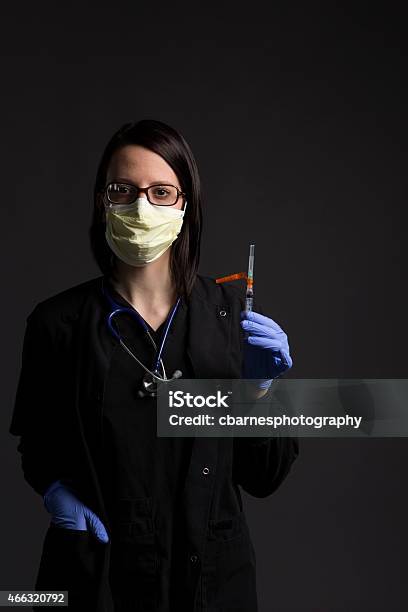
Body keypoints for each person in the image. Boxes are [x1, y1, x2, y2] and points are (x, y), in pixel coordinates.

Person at [9, 119, 299, 612]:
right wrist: (54, 490)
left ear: (185, 203)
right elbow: (37, 445)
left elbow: (264, 476)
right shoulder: (57, 323)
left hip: (210, 583)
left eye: (161, 192)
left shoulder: (232, 320)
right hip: (96, 578)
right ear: (103, 199)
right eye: (123, 189)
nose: (141, 207)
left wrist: (262, 389)